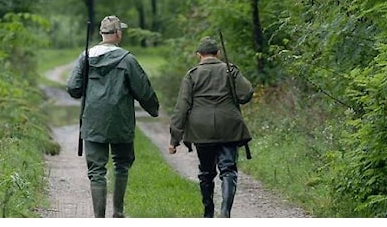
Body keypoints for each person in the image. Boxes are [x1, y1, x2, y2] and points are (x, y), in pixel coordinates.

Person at [66, 15, 160, 218]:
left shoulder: (86, 56)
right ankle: (118, 213)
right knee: (122, 164)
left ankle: (99, 218)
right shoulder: (127, 59)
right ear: (118, 34)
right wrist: (154, 109)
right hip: (121, 122)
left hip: (93, 121)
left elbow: (73, 88)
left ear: (101, 33)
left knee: (96, 170)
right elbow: (143, 90)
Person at [168, 36, 254, 218]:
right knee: (228, 169)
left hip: (201, 130)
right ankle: (225, 212)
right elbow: (246, 94)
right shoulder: (230, 71)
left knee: (206, 172)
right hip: (229, 126)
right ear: (218, 53)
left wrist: (174, 139)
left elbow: (182, 108)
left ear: (199, 55)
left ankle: (208, 213)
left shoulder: (191, 75)